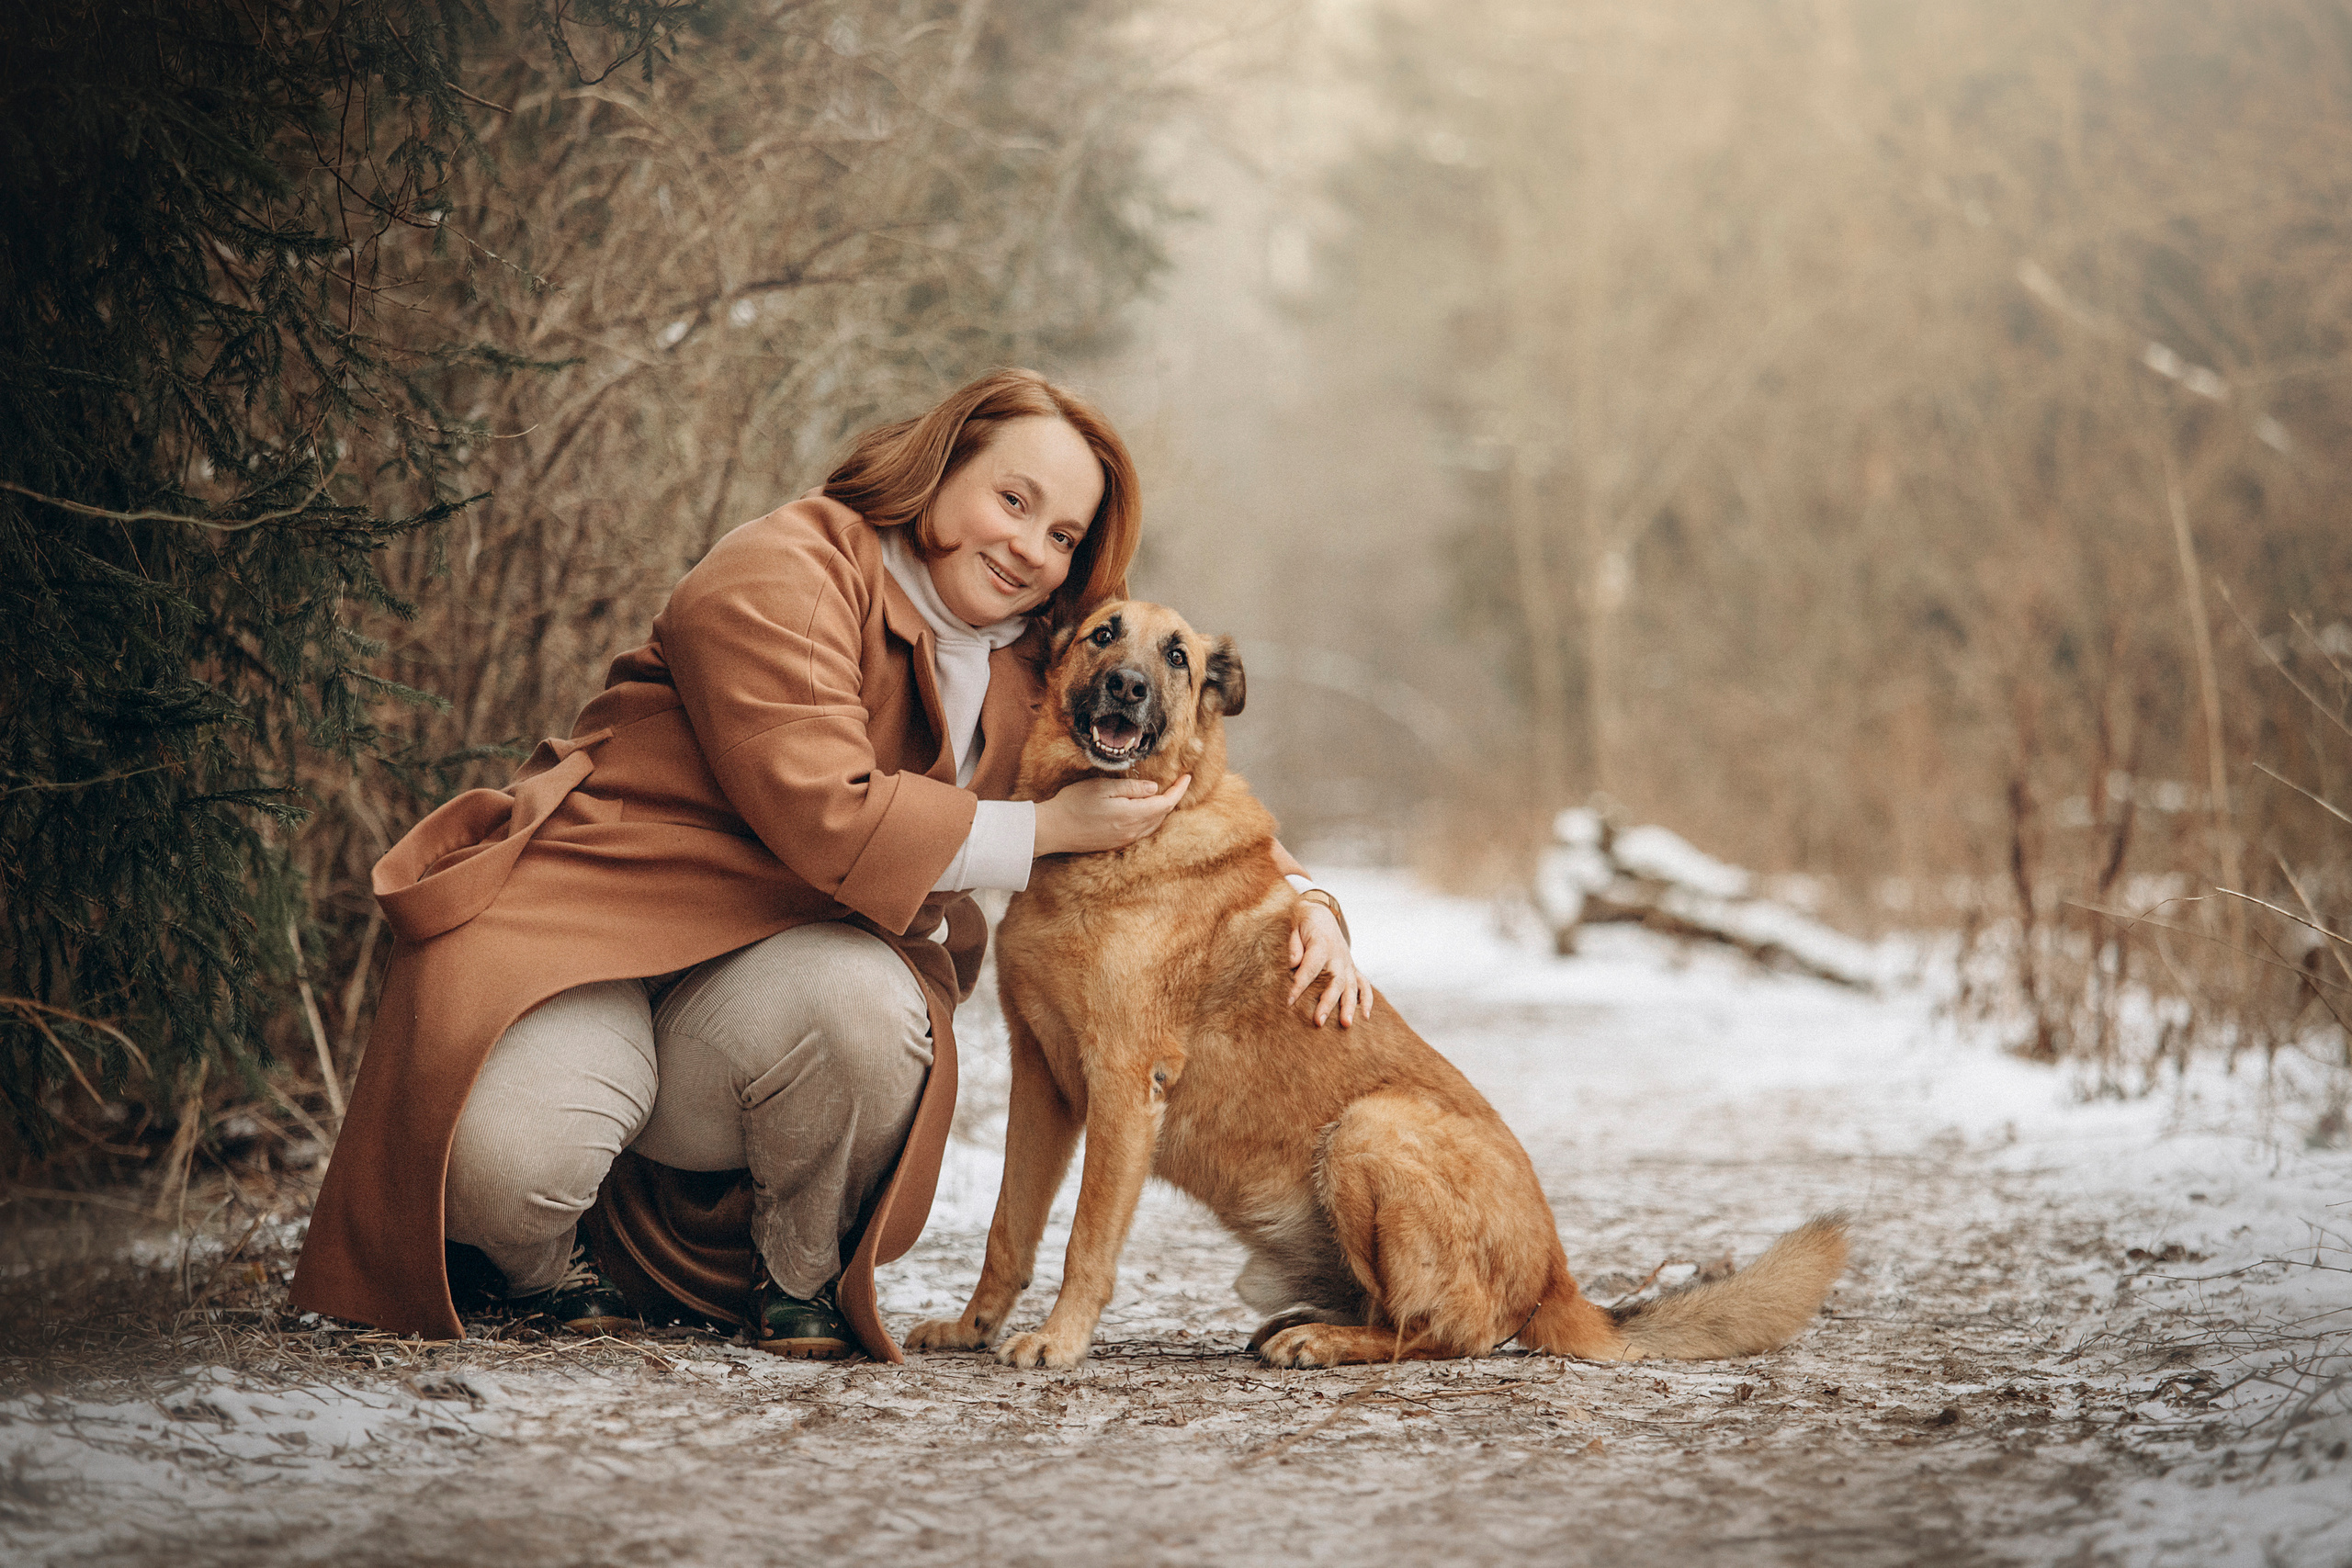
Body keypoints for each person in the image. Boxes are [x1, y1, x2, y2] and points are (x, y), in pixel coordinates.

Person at [289, 368, 1369, 1362]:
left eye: (1063, 533)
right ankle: (540, 1263)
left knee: (871, 1007)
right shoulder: (781, 569)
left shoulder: (1035, 647)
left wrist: (1299, 894)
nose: (1032, 545)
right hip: (600, 936)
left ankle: (786, 1272)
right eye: (1013, 499)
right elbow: (828, 816)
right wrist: (1044, 834)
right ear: (941, 469)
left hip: (761, 980)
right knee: (505, 1169)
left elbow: (1165, 758)